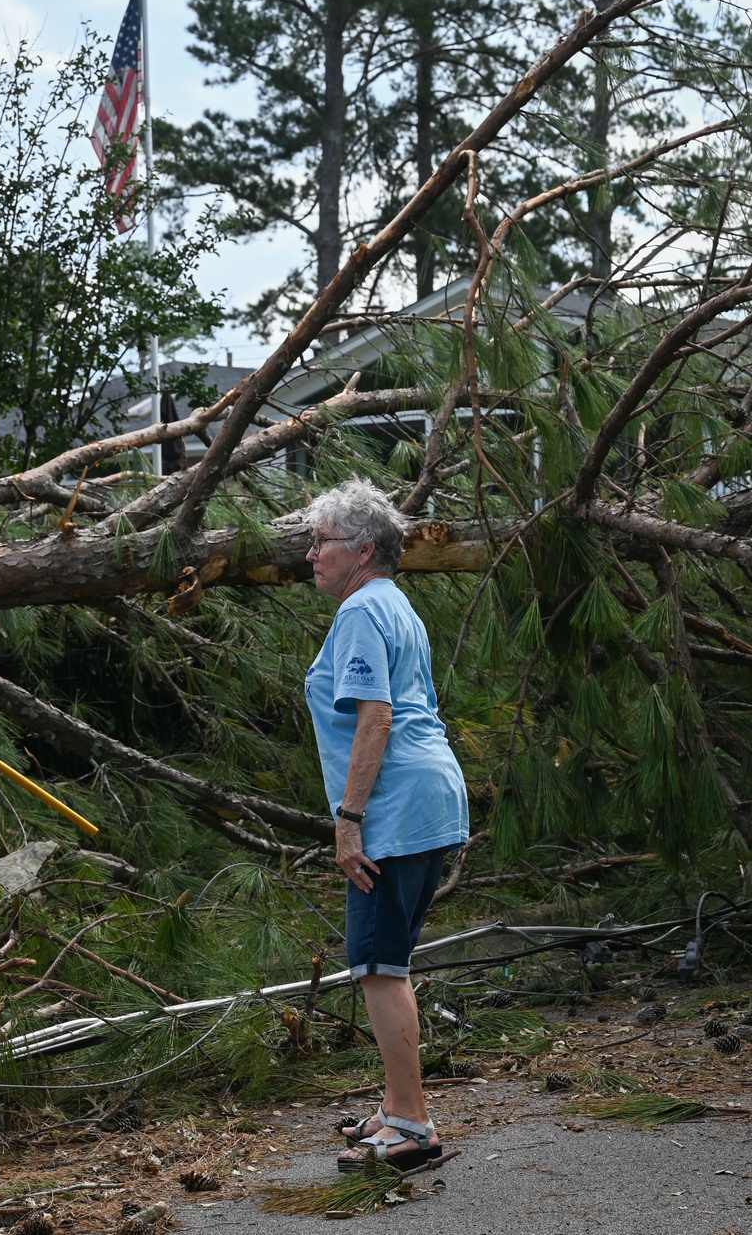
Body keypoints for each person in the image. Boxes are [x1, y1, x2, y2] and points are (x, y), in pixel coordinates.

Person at [302, 476, 469, 1174]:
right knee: (388, 958)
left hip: (394, 809)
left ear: (364, 548)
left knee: (378, 964)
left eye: (322, 541)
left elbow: (376, 716)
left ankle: (412, 1124)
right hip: (433, 796)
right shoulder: (393, 604)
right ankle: (397, 1101)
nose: (310, 553)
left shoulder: (362, 613)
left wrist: (349, 819)